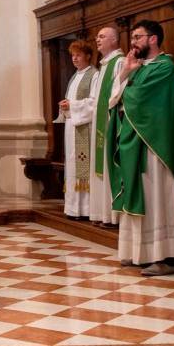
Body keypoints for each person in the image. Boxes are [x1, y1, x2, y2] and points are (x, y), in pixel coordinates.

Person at [108, 20, 174, 276]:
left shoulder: (164, 68)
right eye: (133, 36)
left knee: (155, 197)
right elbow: (113, 101)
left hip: (154, 147)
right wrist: (125, 73)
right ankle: (136, 252)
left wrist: (127, 82)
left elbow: (136, 100)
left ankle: (163, 256)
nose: (133, 41)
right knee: (138, 195)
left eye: (138, 36)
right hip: (132, 144)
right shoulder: (137, 67)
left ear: (153, 39)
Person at [90, 27, 126, 228]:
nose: (97, 39)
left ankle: (113, 215)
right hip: (100, 123)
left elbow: (118, 92)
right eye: (97, 37)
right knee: (101, 166)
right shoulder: (104, 65)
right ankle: (102, 213)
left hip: (112, 122)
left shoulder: (118, 62)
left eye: (102, 36)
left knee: (109, 164)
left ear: (114, 40)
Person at [58, 40, 97, 220]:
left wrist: (71, 105)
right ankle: (73, 208)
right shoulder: (75, 76)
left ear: (88, 56)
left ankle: (86, 209)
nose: (74, 59)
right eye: (72, 55)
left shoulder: (94, 75)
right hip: (72, 127)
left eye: (78, 55)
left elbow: (94, 103)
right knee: (73, 167)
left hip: (85, 128)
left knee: (83, 167)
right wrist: (66, 106)